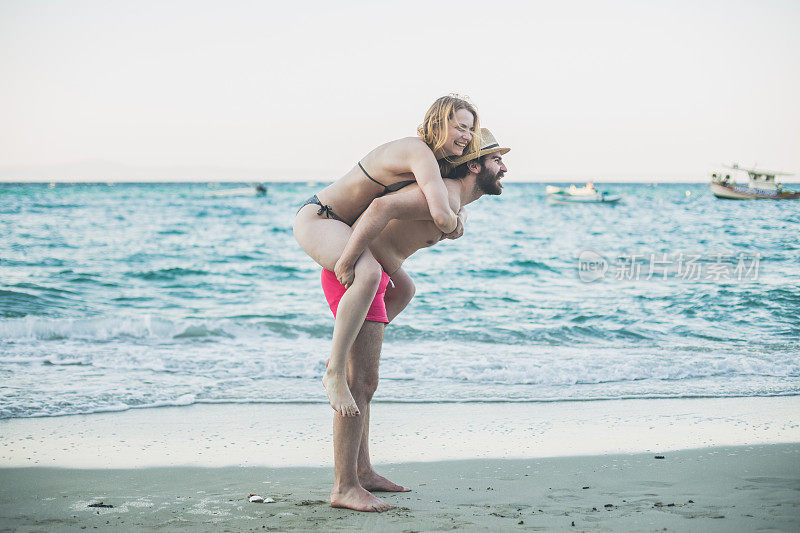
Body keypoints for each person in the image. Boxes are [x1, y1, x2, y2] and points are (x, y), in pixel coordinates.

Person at [322, 129, 509, 512]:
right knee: (360, 381)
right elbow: (379, 210)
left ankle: (364, 472)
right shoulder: (438, 192)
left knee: (366, 380)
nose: (504, 167)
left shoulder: (452, 200)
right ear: (475, 165)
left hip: (381, 276)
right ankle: (344, 486)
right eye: (497, 160)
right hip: (359, 274)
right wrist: (347, 263)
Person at [294, 95, 480, 418]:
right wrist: (455, 224)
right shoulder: (418, 152)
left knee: (404, 290)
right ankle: (335, 370)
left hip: (347, 229)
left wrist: (457, 217)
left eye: (470, 130)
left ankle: (350, 346)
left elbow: (450, 205)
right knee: (368, 274)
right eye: (460, 127)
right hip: (321, 218)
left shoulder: (434, 165)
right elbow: (441, 212)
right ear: (439, 123)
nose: (466, 136)